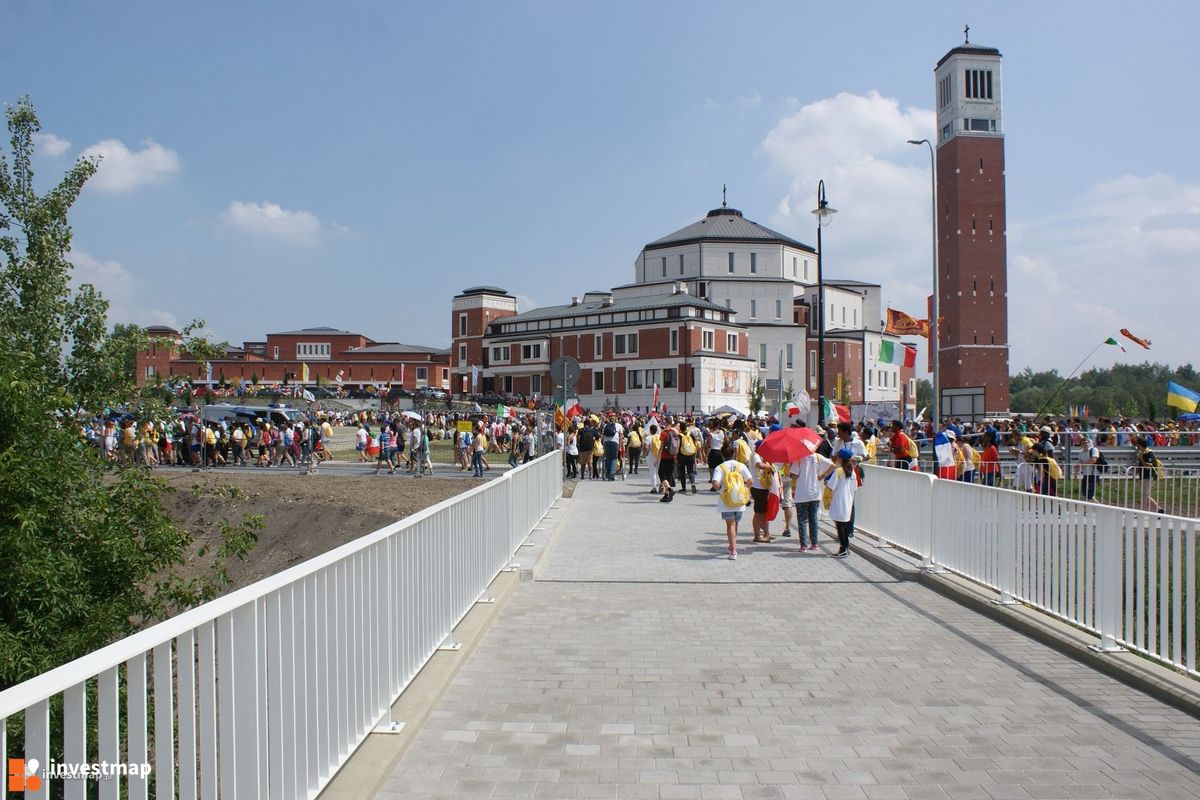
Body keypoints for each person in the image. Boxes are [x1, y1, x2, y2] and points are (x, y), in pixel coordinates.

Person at [711, 455, 754, 560]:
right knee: (735, 523)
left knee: (730, 525)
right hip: (739, 500)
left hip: (726, 501)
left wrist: (722, 489)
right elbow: (750, 481)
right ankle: (732, 545)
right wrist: (744, 489)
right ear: (734, 455)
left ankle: (733, 551)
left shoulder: (720, 467)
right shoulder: (741, 466)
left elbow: (715, 484)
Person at [820, 448, 858, 558]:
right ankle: (846, 547)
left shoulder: (839, 471)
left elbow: (831, 486)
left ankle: (843, 549)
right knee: (844, 525)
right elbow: (854, 488)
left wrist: (826, 480)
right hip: (848, 501)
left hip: (839, 501)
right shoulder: (852, 471)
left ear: (840, 458)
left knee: (840, 526)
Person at [1132, 435, 1161, 512]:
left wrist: (1142, 459)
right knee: (1145, 494)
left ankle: (1143, 510)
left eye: (1137, 444)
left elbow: (1148, 466)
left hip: (1149, 476)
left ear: (1140, 444)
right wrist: (1135, 474)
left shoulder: (1149, 452)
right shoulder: (1142, 452)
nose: (1136, 446)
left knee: (1144, 494)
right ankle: (1159, 509)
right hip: (1143, 475)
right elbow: (1139, 465)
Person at [1078, 434, 1100, 501]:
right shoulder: (1081, 452)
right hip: (1085, 473)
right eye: (1083, 443)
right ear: (1081, 445)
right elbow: (1079, 462)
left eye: (1086, 442)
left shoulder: (1094, 450)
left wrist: (1083, 464)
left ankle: (1088, 508)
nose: (1085, 444)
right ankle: (1095, 505)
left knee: (1090, 492)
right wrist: (1076, 473)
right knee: (1084, 490)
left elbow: (1093, 460)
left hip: (1094, 473)